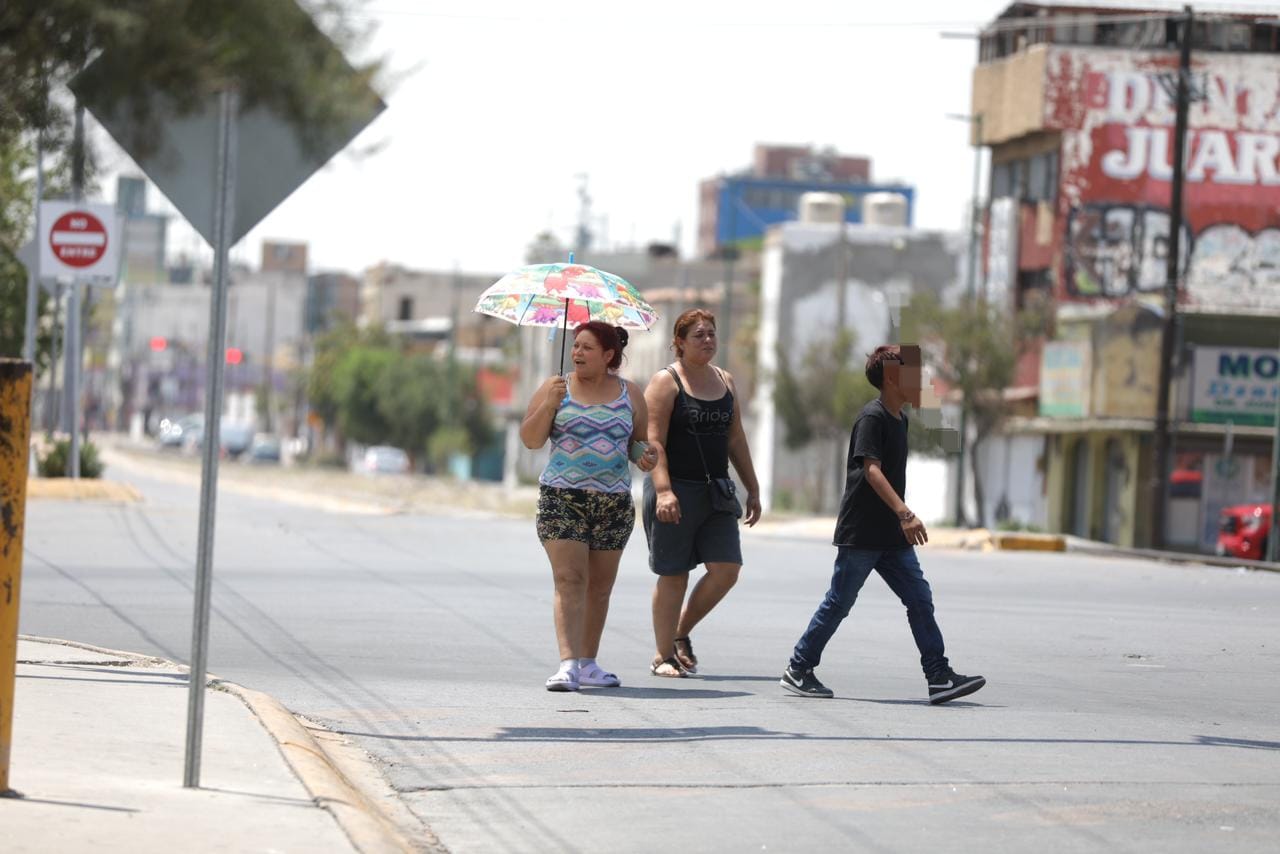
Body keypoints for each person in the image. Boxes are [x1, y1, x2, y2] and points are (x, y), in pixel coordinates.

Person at [780, 344, 985, 704]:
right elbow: (871, 471)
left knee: (919, 598)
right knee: (839, 602)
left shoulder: (900, 418)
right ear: (892, 378)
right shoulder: (872, 417)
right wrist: (906, 513)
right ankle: (799, 668)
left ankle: (938, 676)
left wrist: (899, 518)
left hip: (890, 535)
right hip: (862, 532)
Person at [521, 321, 659, 692]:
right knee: (570, 579)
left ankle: (587, 662)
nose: (577, 353)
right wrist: (549, 405)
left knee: (599, 586)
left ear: (609, 356)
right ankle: (567, 665)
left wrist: (644, 455)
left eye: (586, 348)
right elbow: (531, 440)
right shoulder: (556, 388)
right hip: (562, 499)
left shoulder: (630, 393)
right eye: (576, 346)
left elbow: (636, 443)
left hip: (613, 503)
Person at [643, 309, 761, 678]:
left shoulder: (725, 380)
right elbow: (653, 441)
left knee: (727, 568)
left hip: (717, 491)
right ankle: (663, 655)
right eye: (698, 335)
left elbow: (736, 437)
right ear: (679, 342)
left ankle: (680, 631)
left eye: (711, 333)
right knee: (674, 574)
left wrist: (753, 488)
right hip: (675, 489)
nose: (708, 340)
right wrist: (663, 490)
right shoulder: (666, 382)